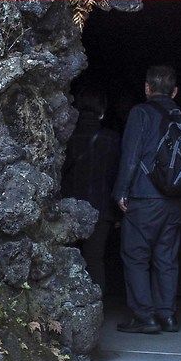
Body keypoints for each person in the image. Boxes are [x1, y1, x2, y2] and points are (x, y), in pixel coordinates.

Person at [113, 63, 181, 334]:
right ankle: (167, 315)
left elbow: (130, 155)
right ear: (175, 91)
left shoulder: (140, 113)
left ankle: (145, 316)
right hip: (175, 199)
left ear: (147, 88)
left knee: (135, 256)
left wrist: (121, 191)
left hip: (144, 197)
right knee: (166, 258)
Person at [60, 87, 121, 295]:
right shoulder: (113, 139)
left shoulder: (67, 138)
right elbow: (117, 176)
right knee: (95, 259)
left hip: (68, 206)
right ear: (102, 112)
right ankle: (97, 308)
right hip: (102, 208)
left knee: (66, 257)